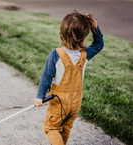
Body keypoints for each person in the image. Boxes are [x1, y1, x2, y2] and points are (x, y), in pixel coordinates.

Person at [34, 10, 104, 145]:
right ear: (84, 37)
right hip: (76, 102)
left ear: (62, 33)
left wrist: (40, 96)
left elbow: (46, 76)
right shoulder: (85, 54)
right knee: (65, 128)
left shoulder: (56, 54)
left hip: (59, 100)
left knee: (51, 127)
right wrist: (95, 27)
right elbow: (99, 44)